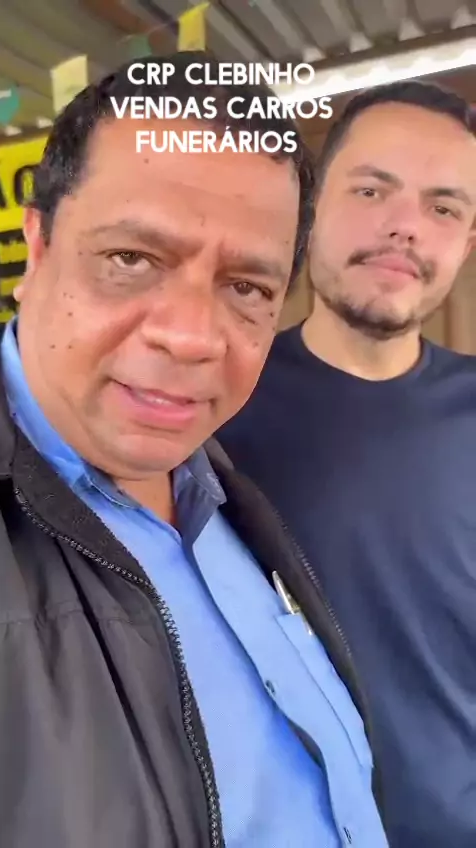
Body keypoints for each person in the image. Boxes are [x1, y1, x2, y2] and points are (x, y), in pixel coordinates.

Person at [0, 52, 388, 847]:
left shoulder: (221, 490)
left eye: (246, 287)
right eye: (131, 259)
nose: (191, 336)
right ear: (37, 246)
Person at [218, 80, 476, 848]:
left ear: (466, 243)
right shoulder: (210, 407)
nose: (405, 226)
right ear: (309, 210)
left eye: (444, 208)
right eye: (371, 190)